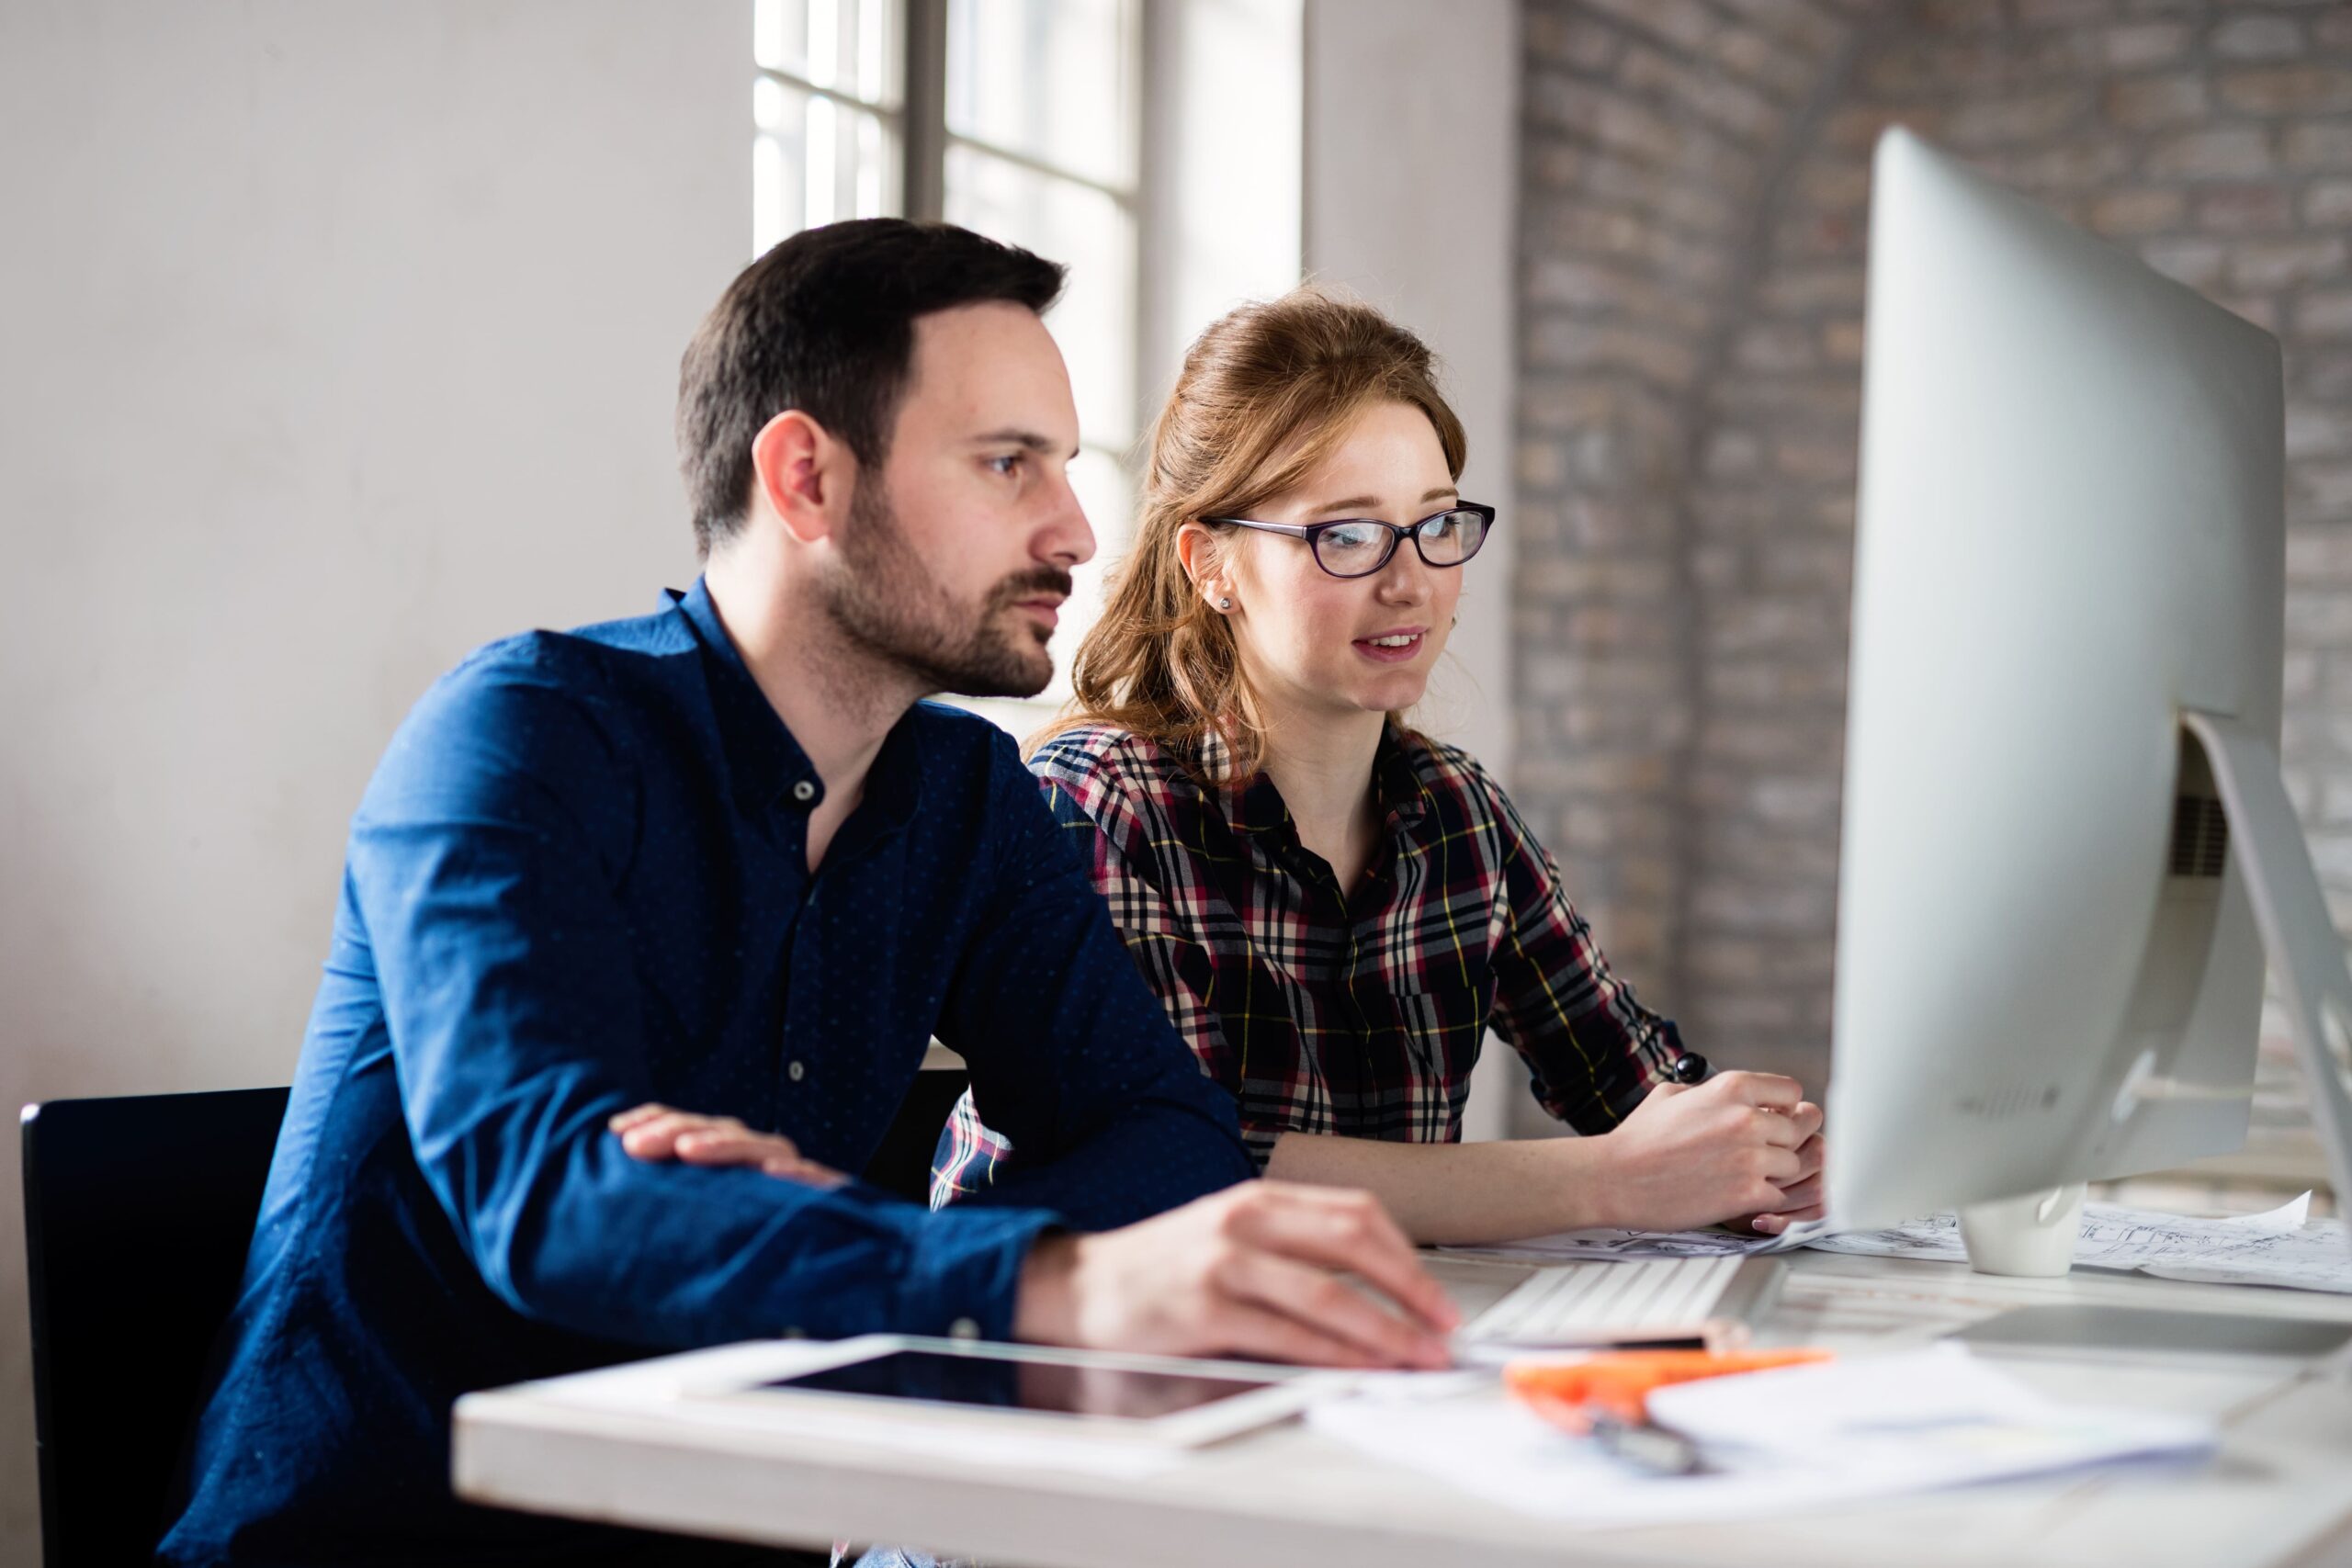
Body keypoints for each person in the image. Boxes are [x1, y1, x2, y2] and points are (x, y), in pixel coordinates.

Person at [160, 224, 1455, 1568]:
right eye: (1007, 463)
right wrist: (1042, 1277)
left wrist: (829, 1239)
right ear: (806, 477)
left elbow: (1166, 1129)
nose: (1074, 530)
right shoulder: (521, 736)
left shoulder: (968, 799)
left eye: (1067, 467)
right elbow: (553, 1199)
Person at [922, 288, 1826, 1247]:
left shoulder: (1458, 813)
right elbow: (1190, 1163)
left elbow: (1633, 1084)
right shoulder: (1096, 805)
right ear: (1211, 564)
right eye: (1345, 536)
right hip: (1051, 1316)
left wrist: (1755, 1152)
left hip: (1354, 1316)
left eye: (1436, 525)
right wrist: (1610, 1180)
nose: (1410, 584)